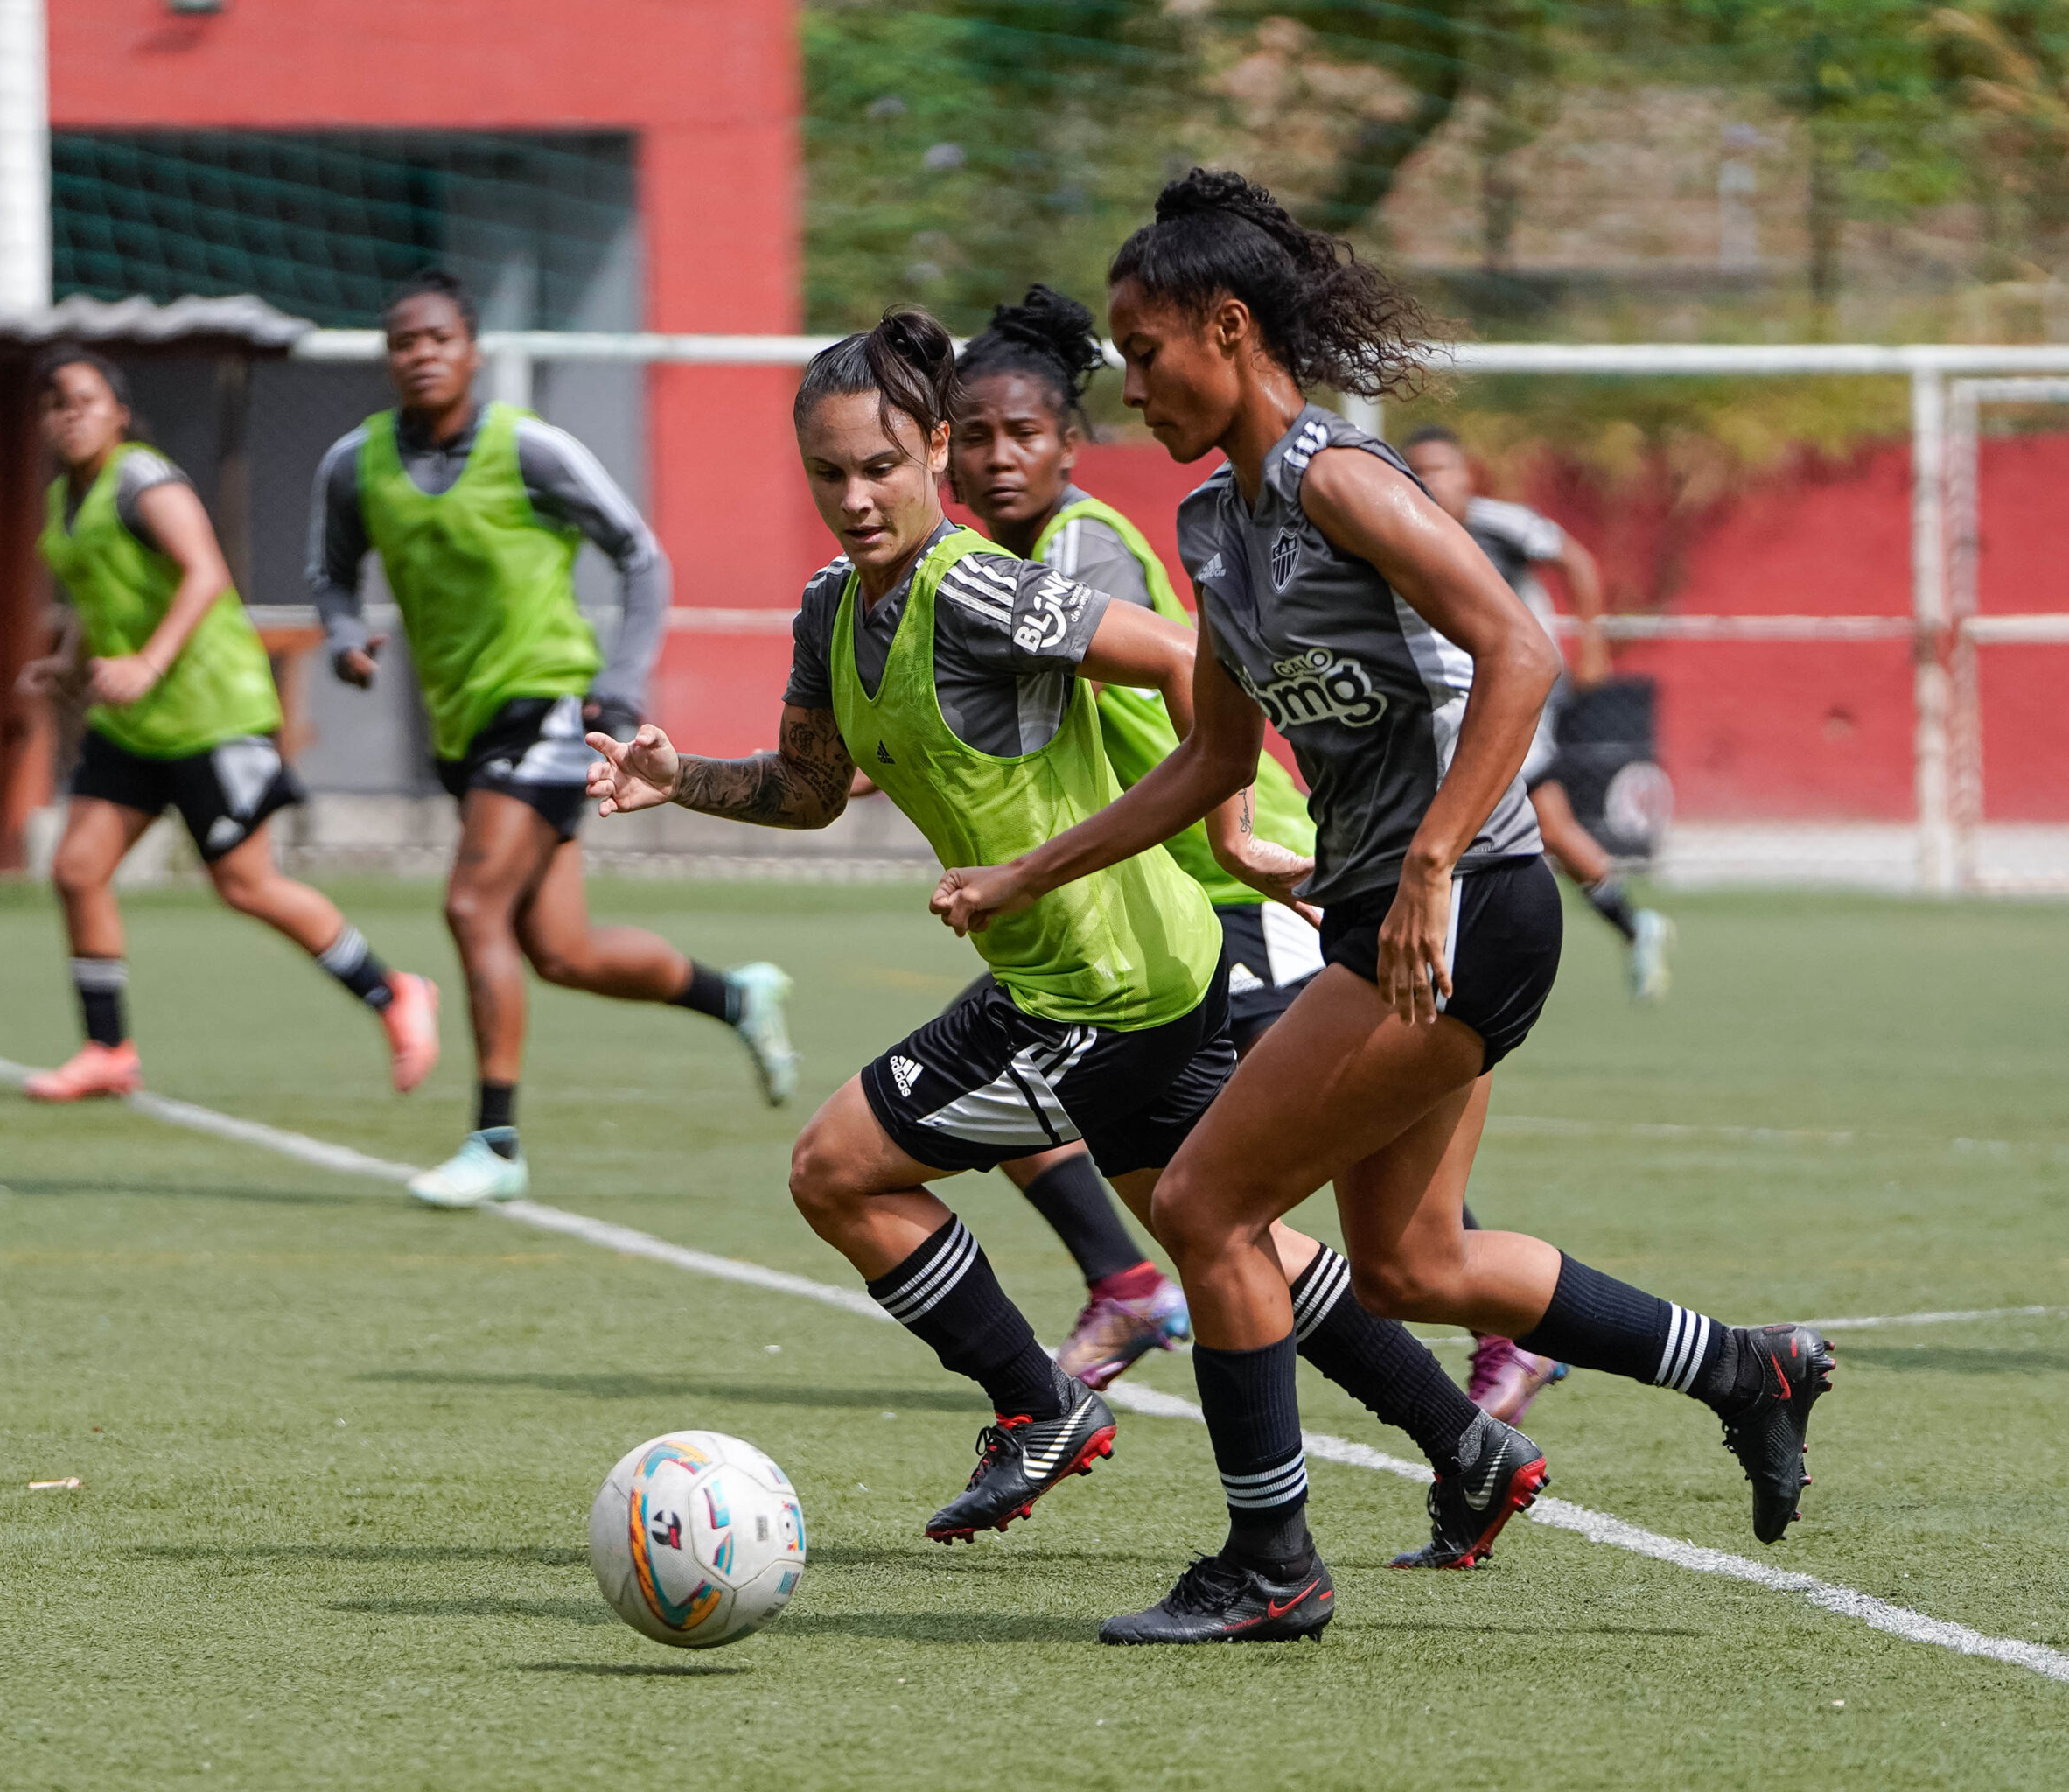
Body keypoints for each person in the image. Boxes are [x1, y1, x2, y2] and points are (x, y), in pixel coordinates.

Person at [933, 171, 1835, 1643]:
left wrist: (1417, 865)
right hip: (1386, 914)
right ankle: (1751, 1369)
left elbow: (1521, 650)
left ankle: (1269, 1560)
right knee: (1413, 1262)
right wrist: (1041, 869)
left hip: (1466, 905)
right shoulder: (1219, 525)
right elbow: (1218, 757)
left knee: (1210, 1199)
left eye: (1146, 347)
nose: (1131, 380)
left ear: (1228, 329)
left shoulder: (1339, 480)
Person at [587, 309, 1545, 1572]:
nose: (857, 499)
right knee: (1231, 1238)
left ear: (931, 453)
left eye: (882, 468)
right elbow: (811, 787)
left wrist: (1239, 810)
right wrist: (683, 780)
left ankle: (1039, 1407)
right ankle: (1467, 1446)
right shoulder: (833, 605)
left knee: (837, 1169)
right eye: (830, 474)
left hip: (1106, 985)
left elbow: (1187, 654)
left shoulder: (982, 585)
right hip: (1122, 967)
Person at [307, 269, 798, 1208]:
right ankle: (736, 995)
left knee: (468, 907)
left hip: (549, 707)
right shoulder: (354, 463)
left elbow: (638, 552)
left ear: (472, 351)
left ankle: (494, 1141)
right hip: (460, 727)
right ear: (388, 357)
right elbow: (329, 575)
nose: (421, 355)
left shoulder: (526, 447)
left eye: (439, 339)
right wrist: (340, 638)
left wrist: (618, 682)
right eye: (404, 342)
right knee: (560, 949)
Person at [943, 285, 1325, 1390]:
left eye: (1023, 433)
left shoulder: (1082, 550)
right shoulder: (990, 571)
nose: (999, 457)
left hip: (1243, 881)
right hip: (1169, 897)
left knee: (1297, 1162)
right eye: (975, 437)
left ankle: (1503, 1328)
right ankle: (1122, 1282)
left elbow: (1168, 685)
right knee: (1013, 1077)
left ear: (1072, 443)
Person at [17, 347, 439, 1104]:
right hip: (138, 724)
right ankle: (108, 1050)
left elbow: (206, 572)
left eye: (85, 399)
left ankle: (396, 992)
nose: (69, 414)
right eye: (55, 403)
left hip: (212, 713)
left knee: (247, 886)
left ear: (119, 412)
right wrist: (69, 660)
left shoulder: (143, 480)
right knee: (77, 870)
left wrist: (147, 661)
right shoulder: (65, 502)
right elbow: (99, 593)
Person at [1401, 424, 1673, 1004]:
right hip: (1458, 701)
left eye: (1440, 469)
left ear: (1467, 474)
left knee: (1482, 814)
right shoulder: (1405, 531)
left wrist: (1593, 644)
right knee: (1547, 823)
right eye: (1417, 471)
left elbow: (1574, 560)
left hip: (1517, 694)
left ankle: (1444, 952)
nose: (1430, 482)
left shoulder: (1499, 523)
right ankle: (1632, 923)